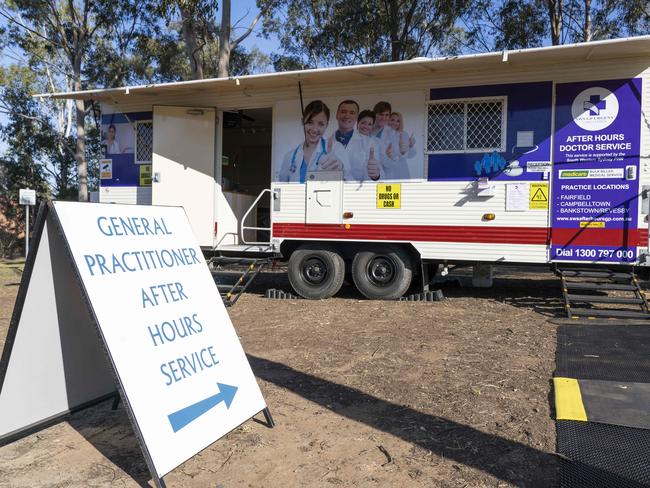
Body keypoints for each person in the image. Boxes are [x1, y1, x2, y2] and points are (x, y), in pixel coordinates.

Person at [277, 100, 347, 183]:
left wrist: (342, 169)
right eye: (310, 122)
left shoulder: (336, 149)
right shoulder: (289, 157)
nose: (314, 129)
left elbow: (350, 183)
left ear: (326, 125)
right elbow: (282, 188)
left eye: (320, 124)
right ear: (303, 121)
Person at [333, 100, 380, 181]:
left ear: (356, 117)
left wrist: (375, 175)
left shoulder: (369, 143)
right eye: (343, 111)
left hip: (358, 191)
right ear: (337, 115)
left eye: (352, 113)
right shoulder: (325, 143)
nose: (347, 116)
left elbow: (378, 172)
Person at [371, 101, 401, 179]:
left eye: (387, 115)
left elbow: (394, 161)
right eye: (381, 114)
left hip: (384, 176)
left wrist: (391, 157)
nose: (384, 118)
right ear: (375, 115)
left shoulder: (392, 134)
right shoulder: (366, 129)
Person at [388, 112, 416, 179]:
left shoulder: (404, 134)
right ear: (388, 120)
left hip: (401, 170)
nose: (395, 123)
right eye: (392, 120)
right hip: (387, 169)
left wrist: (411, 146)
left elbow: (409, 155)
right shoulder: (384, 134)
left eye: (398, 121)